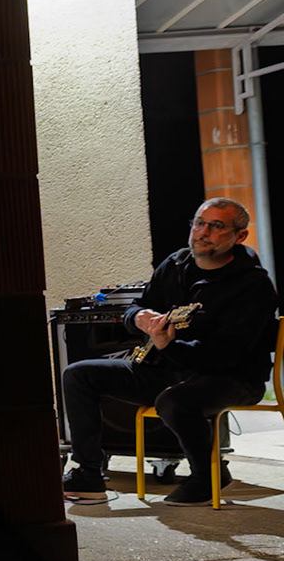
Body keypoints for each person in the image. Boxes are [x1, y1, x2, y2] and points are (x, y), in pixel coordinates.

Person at [61, 198, 277, 506]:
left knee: (174, 400)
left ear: (240, 236)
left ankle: (206, 477)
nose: (203, 232)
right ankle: (88, 475)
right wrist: (138, 317)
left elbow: (228, 354)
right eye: (199, 223)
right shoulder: (176, 265)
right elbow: (139, 306)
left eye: (216, 226)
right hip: (169, 369)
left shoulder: (253, 285)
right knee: (79, 375)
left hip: (233, 378)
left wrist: (169, 345)